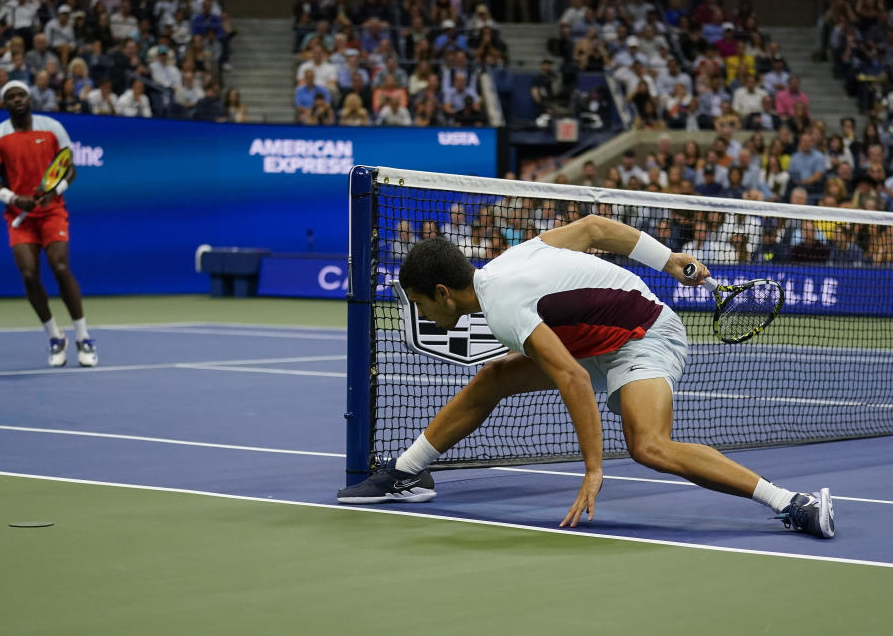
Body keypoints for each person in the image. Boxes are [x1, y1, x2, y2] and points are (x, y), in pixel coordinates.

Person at [337, 213, 834, 539]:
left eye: (421, 302)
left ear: (444, 292)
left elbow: (572, 380)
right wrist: (668, 259)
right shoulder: (507, 265)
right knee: (493, 379)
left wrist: (593, 469)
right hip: (593, 336)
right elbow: (595, 228)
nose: (421, 312)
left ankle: (792, 502)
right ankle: (406, 473)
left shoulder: (503, 305)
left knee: (649, 446)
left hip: (642, 335)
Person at [0, 81, 98, 368]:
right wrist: (14, 198)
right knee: (29, 275)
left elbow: (69, 169)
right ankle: (55, 338)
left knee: (60, 268)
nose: (17, 99)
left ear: (29, 98)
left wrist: (54, 192)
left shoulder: (52, 127)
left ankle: (84, 337)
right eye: (11, 97)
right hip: (19, 216)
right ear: (5, 103)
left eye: (21, 94)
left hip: (52, 211)